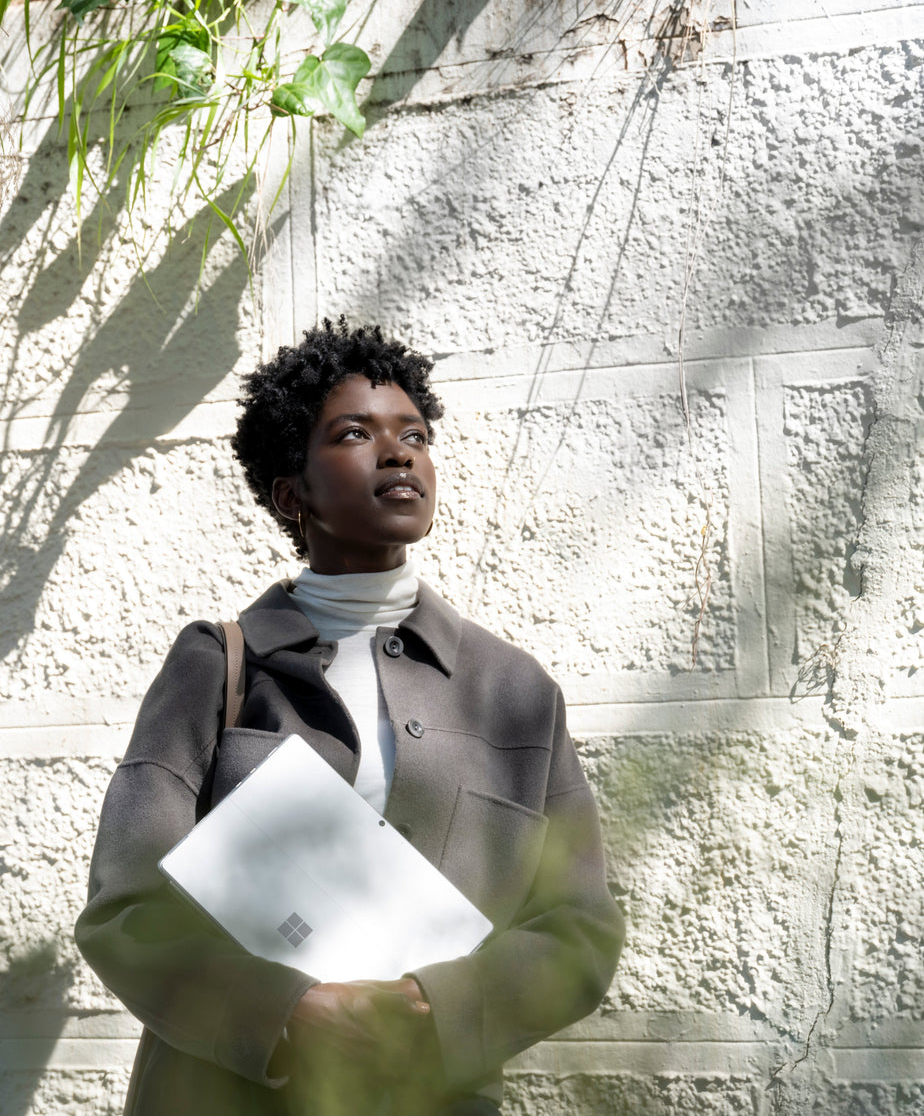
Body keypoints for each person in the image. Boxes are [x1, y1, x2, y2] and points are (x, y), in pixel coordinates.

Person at [76, 319, 624, 1115]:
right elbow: (125, 909)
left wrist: (436, 1005)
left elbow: (579, 929)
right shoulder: (214, 666)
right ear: (291, 493)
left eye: (415, 434)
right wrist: (285, 1009)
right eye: (355, 433)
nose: (399, 453)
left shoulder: (515, 691)